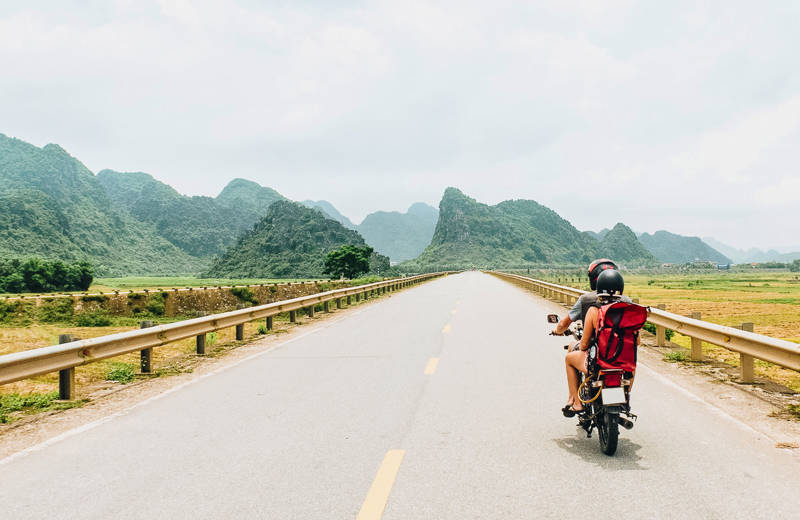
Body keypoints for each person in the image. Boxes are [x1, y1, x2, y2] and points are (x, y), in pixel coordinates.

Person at [561, 269, 627, 416]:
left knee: (569, 359)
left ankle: (576, 403)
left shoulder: (593, 311)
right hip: (624, 363)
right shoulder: (627, 311)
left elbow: (584, 344)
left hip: (599, 362)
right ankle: (625, 398)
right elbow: (638, 341)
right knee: (631, 372)